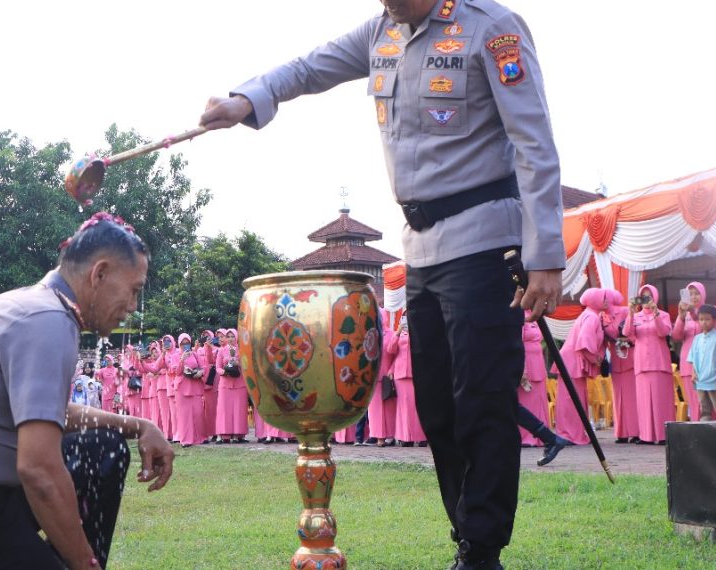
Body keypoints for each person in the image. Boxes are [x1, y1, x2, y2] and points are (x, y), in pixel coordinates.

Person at [200, 1, 563, 564]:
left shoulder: (493, 28)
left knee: (481, 402)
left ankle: (481, 548)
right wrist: (247, 99)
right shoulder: (382, 30)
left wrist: (546, 256)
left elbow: (535, 143)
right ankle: (466, 533)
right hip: (419, 249)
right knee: (438, 408)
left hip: (486, 241)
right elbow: (308, 68)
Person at [0, 212, 174, 570]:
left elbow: (50, 411)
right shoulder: (47, 319)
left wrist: (138, 425)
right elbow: (38, 468)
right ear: (99, 274)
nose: (133, 307)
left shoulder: (35, 305)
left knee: (102, 447)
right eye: (134, 290)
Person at [553, 288, 606, 446]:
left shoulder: (588, 314)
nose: (605, 301)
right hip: (573, 362)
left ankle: (569, 433)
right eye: (602, 298)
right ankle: (570, 434)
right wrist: (594, 358)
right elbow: (584, 342)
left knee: (571, 398)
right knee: (572, 399)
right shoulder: (591, 317)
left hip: (570, 362)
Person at [624, 285, 673, 445]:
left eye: (649, 297)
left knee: (661, 400)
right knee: (643, 400)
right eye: (643, 297)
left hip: (659, 362)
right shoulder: (636, 316)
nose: (646, 300)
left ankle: (663, 435)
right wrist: (630, 314)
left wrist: (656, 314)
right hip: (641, 362)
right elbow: (627, 333)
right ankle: (646, 435)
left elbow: (663, 332)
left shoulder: (663, 315)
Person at [603, 290, 639, 443]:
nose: (603, 302)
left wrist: (626, 339)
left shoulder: (625, 311)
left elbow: (635, 331)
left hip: (630, 355)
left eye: (605, 298)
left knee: (633, 397)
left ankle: (636, 431)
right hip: (616, 358)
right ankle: (622, 432)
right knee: (619, 397)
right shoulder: (601, 317)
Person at [385, 316, 426, 446]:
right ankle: (406, 438)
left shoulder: (420, 332)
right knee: (403, 408)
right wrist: (397, 332)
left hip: (417, 373)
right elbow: (391, 350)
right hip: (400, 374)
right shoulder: (399, 333)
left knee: (417, 406)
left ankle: (421, 437)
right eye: (404, 319)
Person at [671, 282, 707, 422]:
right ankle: (696, 430)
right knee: (693, 400)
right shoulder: (684, 316)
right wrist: (680, 316)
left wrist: (694, 312)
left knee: (706, 401)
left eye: (696, 293)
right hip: (688, 362)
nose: (693, 297)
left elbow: (710, 327)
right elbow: (676, 336)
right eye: (690, 294)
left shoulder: (710, 311)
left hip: (705, 361)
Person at [686, 305, 716, 421]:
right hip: (700, 380)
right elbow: (693, 358)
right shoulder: (697, 338)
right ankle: (705, 433)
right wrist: (693, 373)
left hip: (715, 379)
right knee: (704, 410)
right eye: (701, 319)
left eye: (707, 319)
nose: (704, 322)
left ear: (715, 320)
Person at [518, 310, 549, 447]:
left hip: (537, 362)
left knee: (539, 400)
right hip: (526, 361)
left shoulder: (535, 316)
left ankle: (542, 436)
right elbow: (517, 342)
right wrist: (522, 369)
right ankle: (526, 437)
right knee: (526, 400)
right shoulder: (519, 316)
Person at [214, 329, 248, 443]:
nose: (230, 338)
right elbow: (217, 366)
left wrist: (239, 364)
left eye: (232, 336)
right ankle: (224, 435)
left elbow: (247, 366)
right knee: (224, 410)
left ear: (236, 337)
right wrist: (222, 372)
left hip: (239, 383)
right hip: (225, 383)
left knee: (239, 410)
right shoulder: (221, 350)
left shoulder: (242, 350)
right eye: (228, 336)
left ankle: (239, 435)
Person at [367, 323, 397, 447]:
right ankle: (379, 438)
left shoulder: (392, 334)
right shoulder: (368, 334)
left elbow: (396, 353)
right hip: (372, 376)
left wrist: (392, 369)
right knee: (375, 409)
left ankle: (392, 435)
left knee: (390, 408)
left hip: (388, 376)